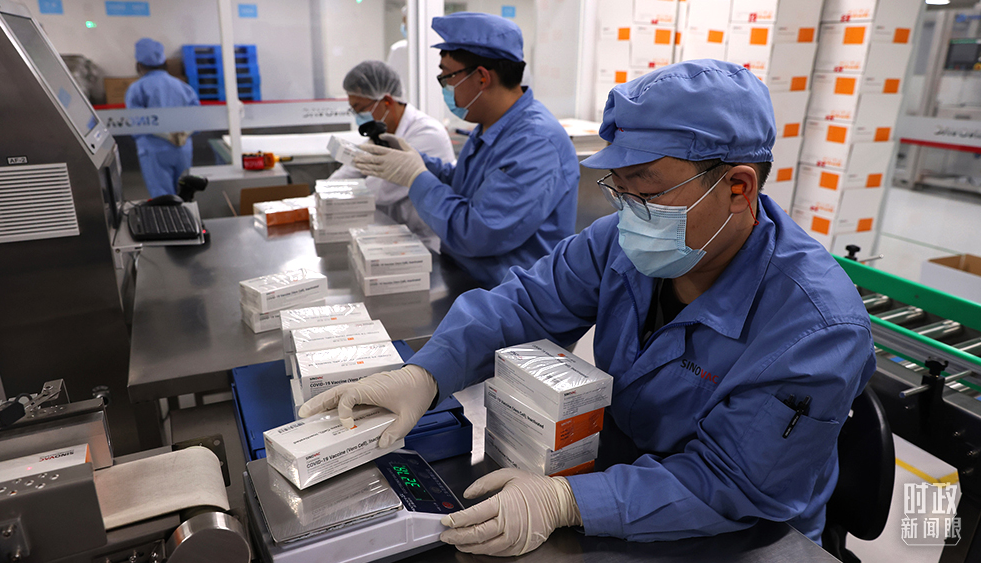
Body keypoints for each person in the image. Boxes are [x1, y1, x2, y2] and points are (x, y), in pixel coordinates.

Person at [300, 60, 876, 556]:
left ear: (739, 188)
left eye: (646, 191)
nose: (628, 213)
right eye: (617, 188)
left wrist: (567, 500)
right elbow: (525, 303)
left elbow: (734, 483)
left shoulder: (817, 329)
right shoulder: (619, 242)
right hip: (621, 479)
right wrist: (426, 374)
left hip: (742, 536)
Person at [351, 12, 579, 288]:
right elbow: (465, 183)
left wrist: (415, 177)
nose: (445, 87)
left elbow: (476, 233)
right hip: (471, 279)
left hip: (514, 298)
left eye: (447, 77)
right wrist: (414, 160)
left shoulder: (536, 142)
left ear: (482, 77)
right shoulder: (492, 124)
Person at [329, 61, 454, 252]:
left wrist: (333, 201)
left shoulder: (428, 134)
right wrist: (321, 196)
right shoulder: (383, 133)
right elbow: (352, 169)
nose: (357, 116)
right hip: (394, 237)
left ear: (386, 101)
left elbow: (381, 190)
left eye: (360, 109)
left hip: (426, 242)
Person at [125, 38, 200, 198]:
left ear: (139, 65)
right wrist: (183, 134)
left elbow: (137, 121)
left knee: (163, 198)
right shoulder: (183, 87)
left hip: (154, 150)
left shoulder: (137, 89)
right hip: (182, 149)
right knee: (185, 194)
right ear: (165, 62)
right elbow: (197, 117)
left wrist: (165, 135)